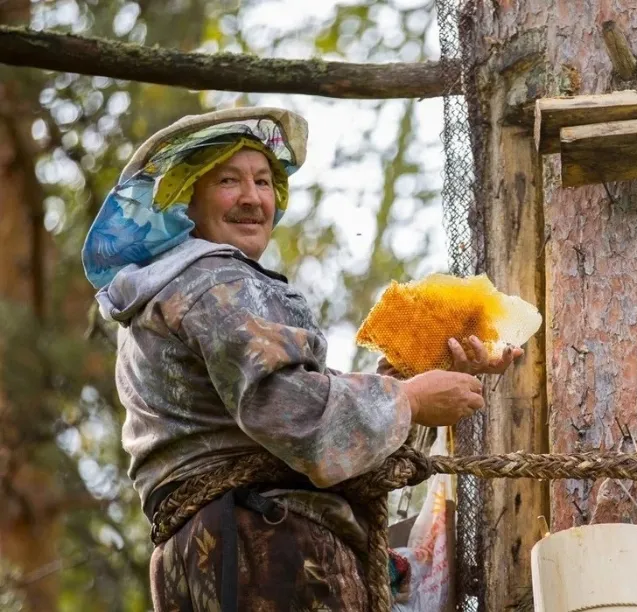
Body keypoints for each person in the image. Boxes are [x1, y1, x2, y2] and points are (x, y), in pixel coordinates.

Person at [81, 107, 522, 610]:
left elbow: (301, 422)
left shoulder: (169, 291)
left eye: (264, 181)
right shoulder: (216, 283)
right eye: (229, 180)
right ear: (188, 200)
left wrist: (418, 374)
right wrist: (411, 398)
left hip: (216, 552)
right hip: (261, 545)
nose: (252, 197)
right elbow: (296, 413)